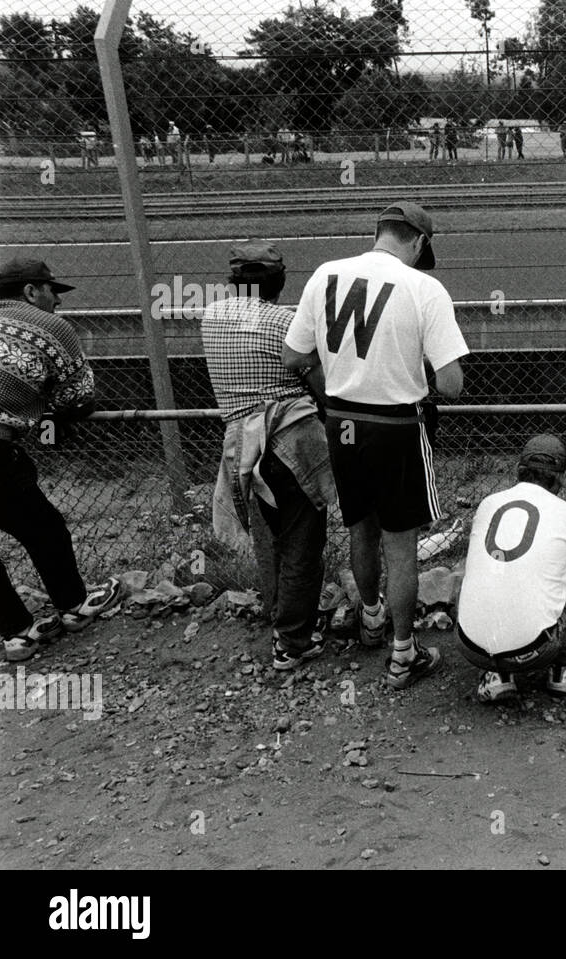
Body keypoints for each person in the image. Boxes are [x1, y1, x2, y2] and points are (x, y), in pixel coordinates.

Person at [282, 202, 469, 690]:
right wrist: (410, 369)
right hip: (395, 426)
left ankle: (370, 618)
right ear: (419, 241)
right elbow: (451, 383)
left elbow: (293, 355)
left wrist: (332, 389)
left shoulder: (325, 274)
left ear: (380, 232)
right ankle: (404, 654)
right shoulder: (423, 287)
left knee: (360, 530)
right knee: (400, 544)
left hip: (342, 422)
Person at [203, 241, 334, 671]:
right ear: (279, 282)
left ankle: (279, 617)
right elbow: (320, 383)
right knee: (302, 540)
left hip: (240, 443)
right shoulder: (287, 322)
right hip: (289, 437)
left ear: (233, 282)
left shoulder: (212, 317)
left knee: (268, 536)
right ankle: (293, 641)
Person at [0, 258, 124, 662]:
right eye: (53, 292)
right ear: (31, 291)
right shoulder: (50, 327)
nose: (58, 302)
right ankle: (74, 606)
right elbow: (78, 397)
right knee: (44, 529)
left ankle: (16, 634)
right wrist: (47, 414)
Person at [457, 435, 566, 702]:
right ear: (560, 478)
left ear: (518, 470)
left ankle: (495, 675)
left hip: (468, 646)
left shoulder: (488, 503)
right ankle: (562, 668)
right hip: (535, 651)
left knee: (488, 569)